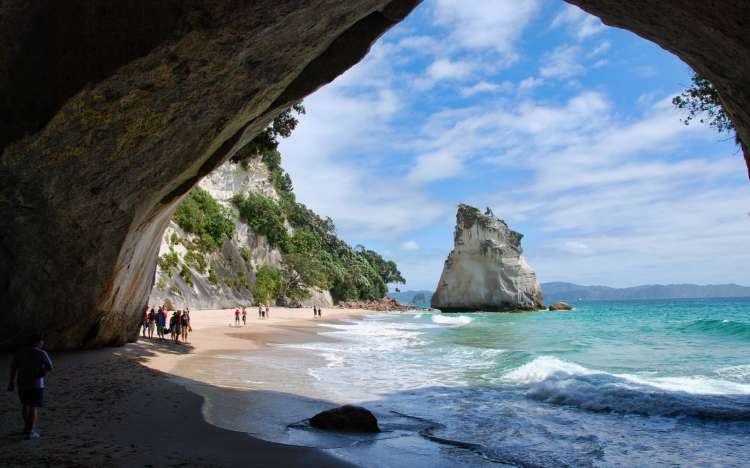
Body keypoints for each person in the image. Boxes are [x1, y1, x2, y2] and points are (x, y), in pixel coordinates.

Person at [7, 334, 53, 439]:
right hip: (36, 384)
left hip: (22, 383)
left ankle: (26, 428)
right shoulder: (41, 353)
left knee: (25, 405)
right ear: (38, 342)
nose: (43, 344)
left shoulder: (20, 352)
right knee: (33, 407)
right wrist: (42, 370)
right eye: (42, 342)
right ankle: (30, 432)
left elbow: (13, 367)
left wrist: (11, 382)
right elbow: (50, 367)